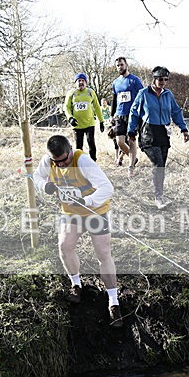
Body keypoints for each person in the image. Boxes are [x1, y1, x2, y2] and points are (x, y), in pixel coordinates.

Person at [33, 134, 123, 327]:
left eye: (65, 160)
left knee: (103, 253)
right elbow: (37, 177)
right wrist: (45, 186)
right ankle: (76, 284)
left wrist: (87, 201)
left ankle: (113, 301)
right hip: (71, 213)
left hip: (94, 211)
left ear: (70, 150)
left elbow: (108, 188)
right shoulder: (49, 161)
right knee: (64, 246)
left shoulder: (83, 161)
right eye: (57, 162)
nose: (62, 165)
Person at [127, 66, 189, 210]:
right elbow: (134, 112)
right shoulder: (143, 93)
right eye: (160, 79)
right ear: (154, 78)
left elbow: (176, 111)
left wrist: (183, 128)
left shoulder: (168, 94)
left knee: (161, 166)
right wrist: (131, 131)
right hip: (148, 133)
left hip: (163, 132)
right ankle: (158, 197)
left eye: (166, 79)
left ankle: (160, 194)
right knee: (158, 164)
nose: (163, 82)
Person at [110, 56, 144, 174]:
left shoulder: (135, 80)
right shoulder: (115, 83)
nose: (120, 67)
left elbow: (142, 96)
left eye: (121, 65)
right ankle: (133, 158)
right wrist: (111, 115)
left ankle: (131, 167)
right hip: (119, 115)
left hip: (132, 115)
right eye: (118, 65)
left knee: (131, 140)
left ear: (126, 65)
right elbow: (114, 99)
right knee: (120, 141)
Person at [64, 73, 105, 161]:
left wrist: (101, 121)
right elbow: (66, 107)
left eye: (83, 81)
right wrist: (70, 118)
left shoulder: (90, 92)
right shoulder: (71, 93)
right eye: (79, 81)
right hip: (77, 124)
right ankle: (79, 164)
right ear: (75, 83)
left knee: (91, 143)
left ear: (86, 82)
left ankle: (93, 162)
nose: (81, 83)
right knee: (79, 146)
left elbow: (97, 107)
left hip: (89, 123)